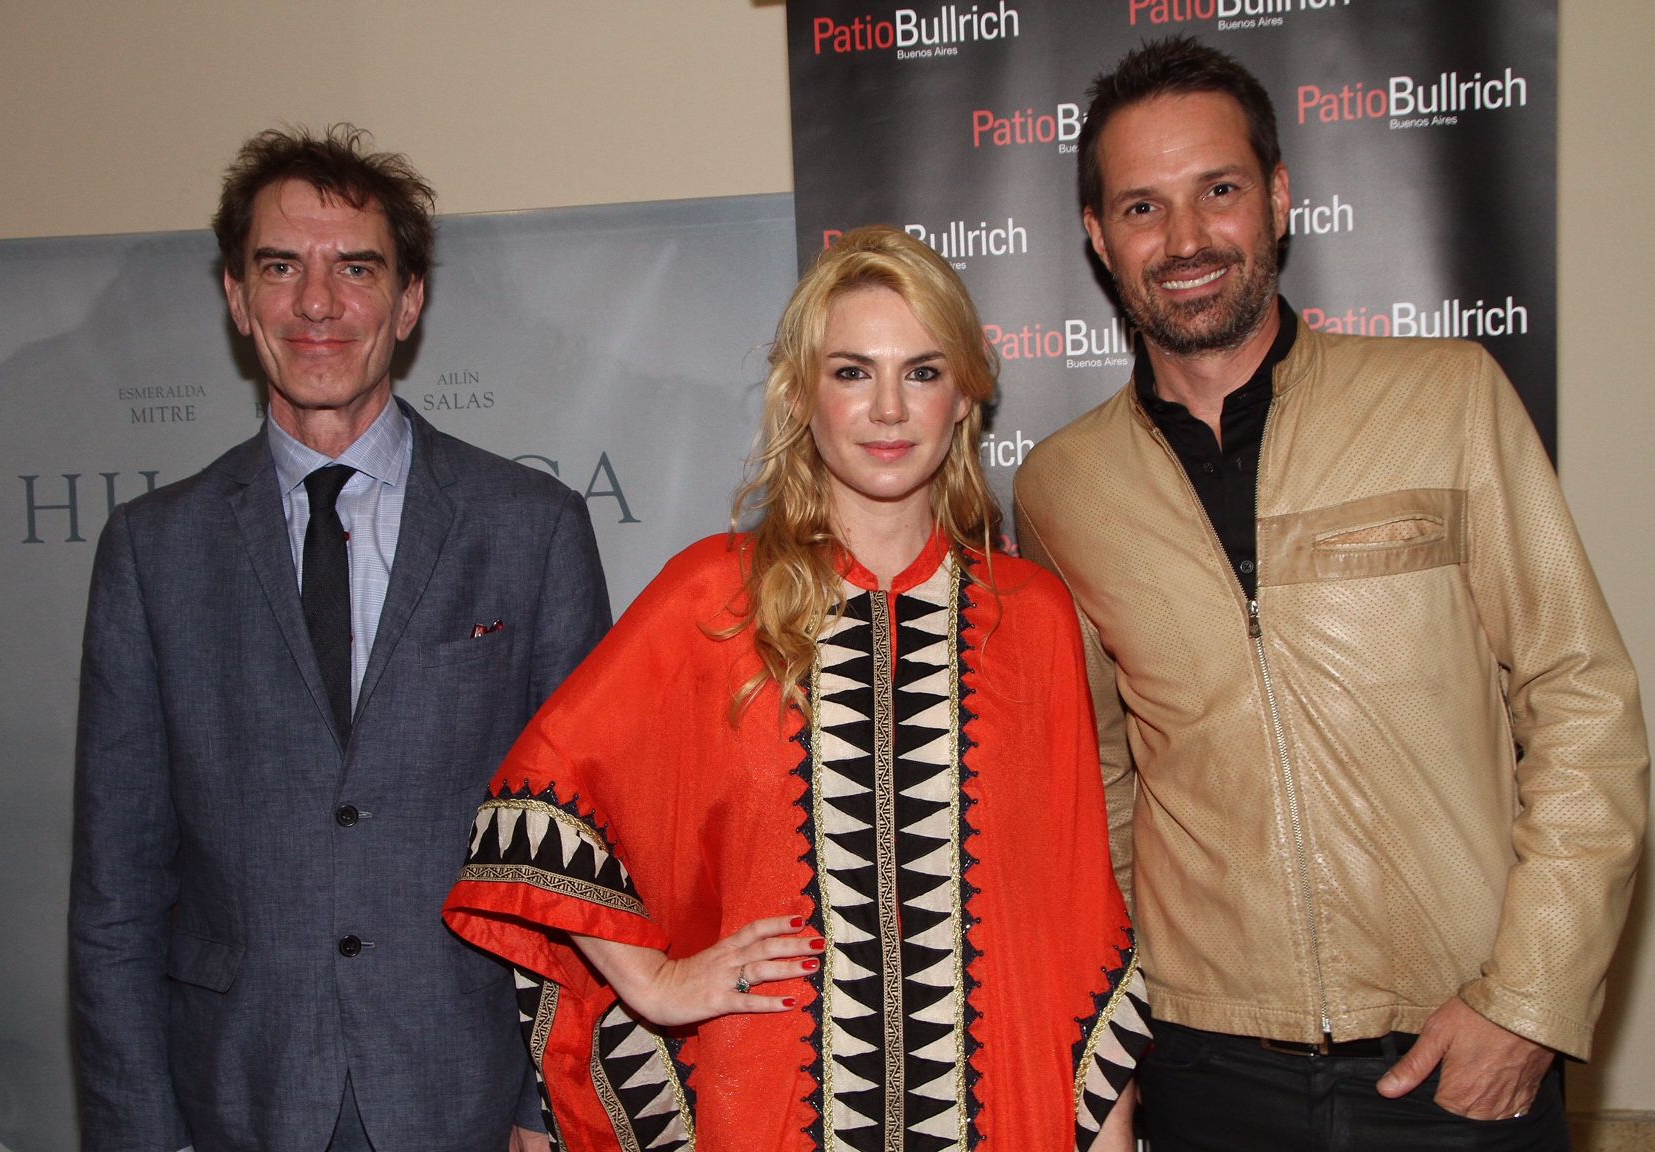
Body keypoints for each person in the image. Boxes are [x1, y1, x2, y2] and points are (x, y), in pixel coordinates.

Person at [1014, 35, 1649, 1151]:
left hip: (1459, 1054)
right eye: (1143, 207)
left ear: (1278, 198)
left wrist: (1530, 1001)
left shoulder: (1446, 399)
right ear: (1099, 237)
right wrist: (1131, 1018)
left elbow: (1583, 704)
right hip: (1205, 1070)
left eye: (1218, 190)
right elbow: (1098, 778)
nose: (1186, 239)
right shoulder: (1063, 486)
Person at [444, 226, 1147, 1151]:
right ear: (802, 395)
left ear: (966, 396)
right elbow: (537, 806)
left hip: (1007, 1113)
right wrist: (655, 983)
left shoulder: (1032, 616)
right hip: (769, 1105)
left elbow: (1078, 920)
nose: (888, 408)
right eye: (853, 372)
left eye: (922, 371)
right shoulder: (713, 597)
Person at [69, 126, 609, 1152]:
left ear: (408, 303)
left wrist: (550, 1104)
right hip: (235, 1096)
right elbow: (116, 891)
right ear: (237, 297)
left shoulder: (529, 530)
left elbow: (585, 853)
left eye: (356, 268)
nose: (317, 304)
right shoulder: (153, 551)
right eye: (281, 267)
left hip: (469, 1096)